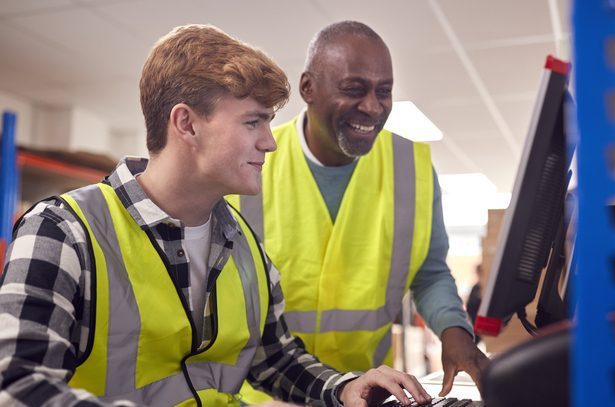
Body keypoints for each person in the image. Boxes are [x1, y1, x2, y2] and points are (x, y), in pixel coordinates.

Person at [0, 24, 433, 407]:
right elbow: (16, 386)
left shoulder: (243, 242)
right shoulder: (64, 231)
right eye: (252, 123)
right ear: (187, 125)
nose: (270, 142)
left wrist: (343, 388)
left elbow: (274, 357)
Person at [229, 20, 489, 398]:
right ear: (308, 88)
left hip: (365, 392)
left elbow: (429, 273)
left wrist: (456, 333)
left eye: (384, 91)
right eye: (354, 89)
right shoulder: (253, 162)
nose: (372, 106)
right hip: (265, 395)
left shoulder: (411, 168)